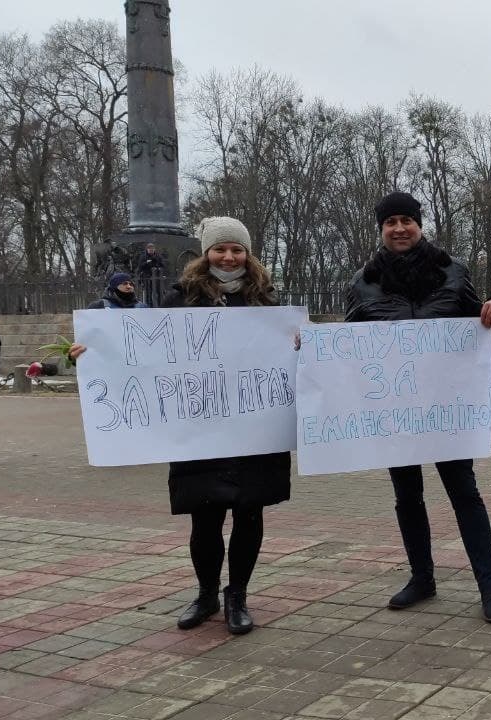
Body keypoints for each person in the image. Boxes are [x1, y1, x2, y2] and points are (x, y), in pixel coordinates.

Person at [69, 217, 292, 634]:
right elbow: (142, 354)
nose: (229, 257)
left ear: (248, 254)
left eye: (237, 249)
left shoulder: (267, 303)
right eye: (220, 249)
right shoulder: (180, 299)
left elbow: (291, 353)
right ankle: (207, 594)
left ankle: (237, 595)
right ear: (206, 253)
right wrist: (90, 354)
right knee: (204, 518)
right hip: (199, 431)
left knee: (249, 514)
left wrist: (302, 343)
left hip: (255, 430)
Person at [346, 191, 491, 623]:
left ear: (420, 225)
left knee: (465, 495)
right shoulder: (363, 282)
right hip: (397, 412)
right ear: (381, 229)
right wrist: (308, 344)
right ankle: (422, 578)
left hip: (446, 412)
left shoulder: (453, 273)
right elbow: (345, 347)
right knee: (407, 496)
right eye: (390, 222)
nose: (399, 228)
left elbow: (479, 317)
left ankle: (489, 588)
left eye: (407, 220)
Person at [86, 273, 150, 310]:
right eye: (124, 283)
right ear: (114, 287)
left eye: (131, 284)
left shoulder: (142, 307)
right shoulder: (99, 306)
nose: (129, 286)